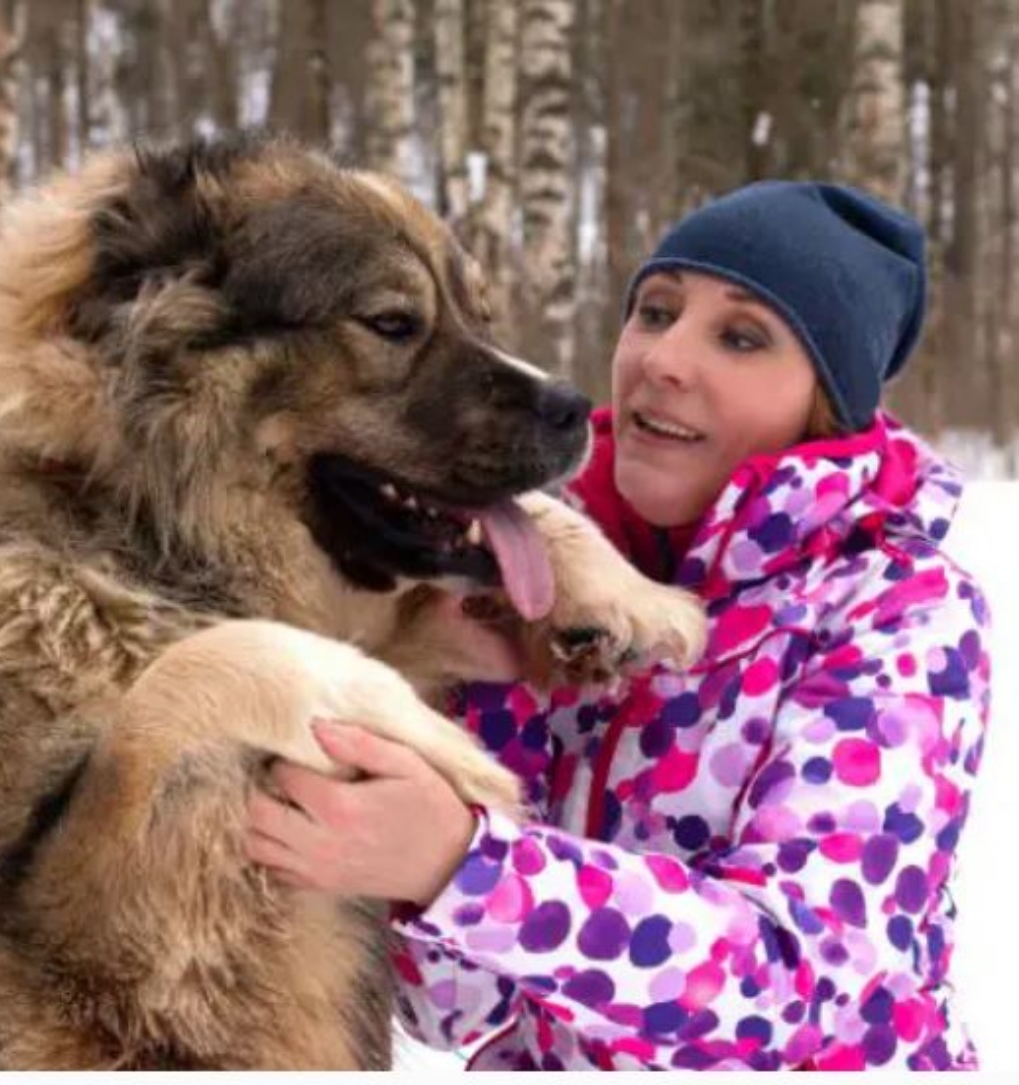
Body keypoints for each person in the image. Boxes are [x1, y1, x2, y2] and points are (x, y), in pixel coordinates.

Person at [245, 181, 990, 1070]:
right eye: (655, 311)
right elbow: (456, 1008)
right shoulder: (545, 575)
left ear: (824, 401)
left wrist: (467, 864)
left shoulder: (896, 607)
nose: (664, 357)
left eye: (740, 336)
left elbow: (803, 983)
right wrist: (442, 690)